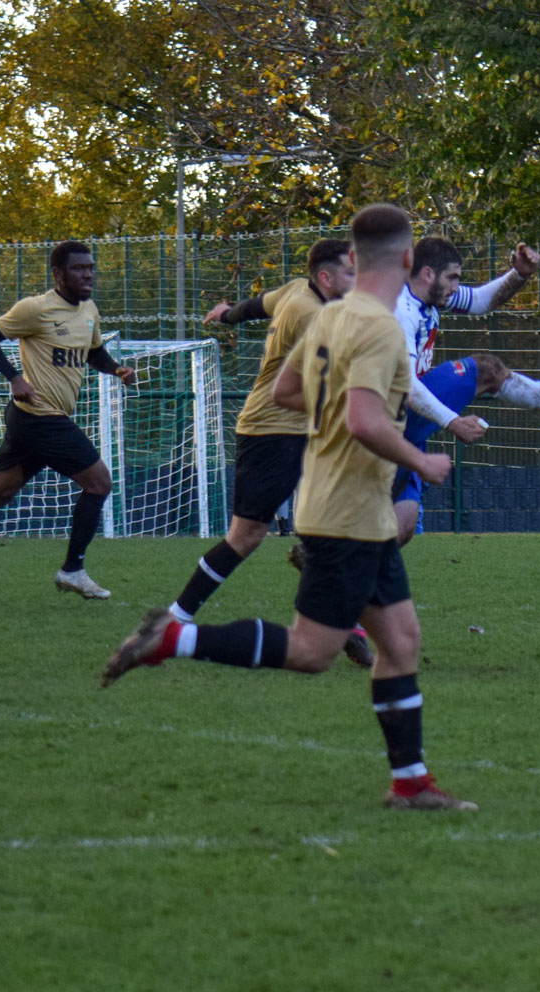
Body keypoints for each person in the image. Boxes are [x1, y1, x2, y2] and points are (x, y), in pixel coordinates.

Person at [101, 203, 476, 812]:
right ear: (409, 259)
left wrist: (340, 419)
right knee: (311, 651)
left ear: (354, 257)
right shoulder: (380, 328)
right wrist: (420, 460)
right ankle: (173, 638)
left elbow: (286, 389)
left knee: (401, 641)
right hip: (346, 513)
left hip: (355, 506)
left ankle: (410, 783)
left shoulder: (331, 317)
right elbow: (363, 420)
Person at [179, 239, 372, 666]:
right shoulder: (312, 315)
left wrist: (226, 313)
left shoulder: (297, 290)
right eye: (351, 273)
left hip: (302, 429)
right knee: (245, 536)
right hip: (274, 431)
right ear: (326, 278)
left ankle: (344, 620)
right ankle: (175, 619)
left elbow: (255, 306)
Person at [0, 240, 138, 603]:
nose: (88, 274)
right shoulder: (35, 308)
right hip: (40, 418)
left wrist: (115, 369)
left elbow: (93, 351)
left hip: (31, 421)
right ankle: (73, 570)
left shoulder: (89, 311)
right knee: (99, 483)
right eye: (79, 268)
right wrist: (15, 378)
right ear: (58, 274)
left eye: (90, 267)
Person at [388, 234, 540, 547]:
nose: (456, 287)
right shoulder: (401, 310)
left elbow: (480, 301)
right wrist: (453, 421)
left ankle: (345, 563)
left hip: (406, 424)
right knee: (486, 369)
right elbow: (408, 385)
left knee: (403, 527)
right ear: (427, 274)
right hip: (389, 415)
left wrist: (519, 275)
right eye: (452, 278)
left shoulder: (431, 296)